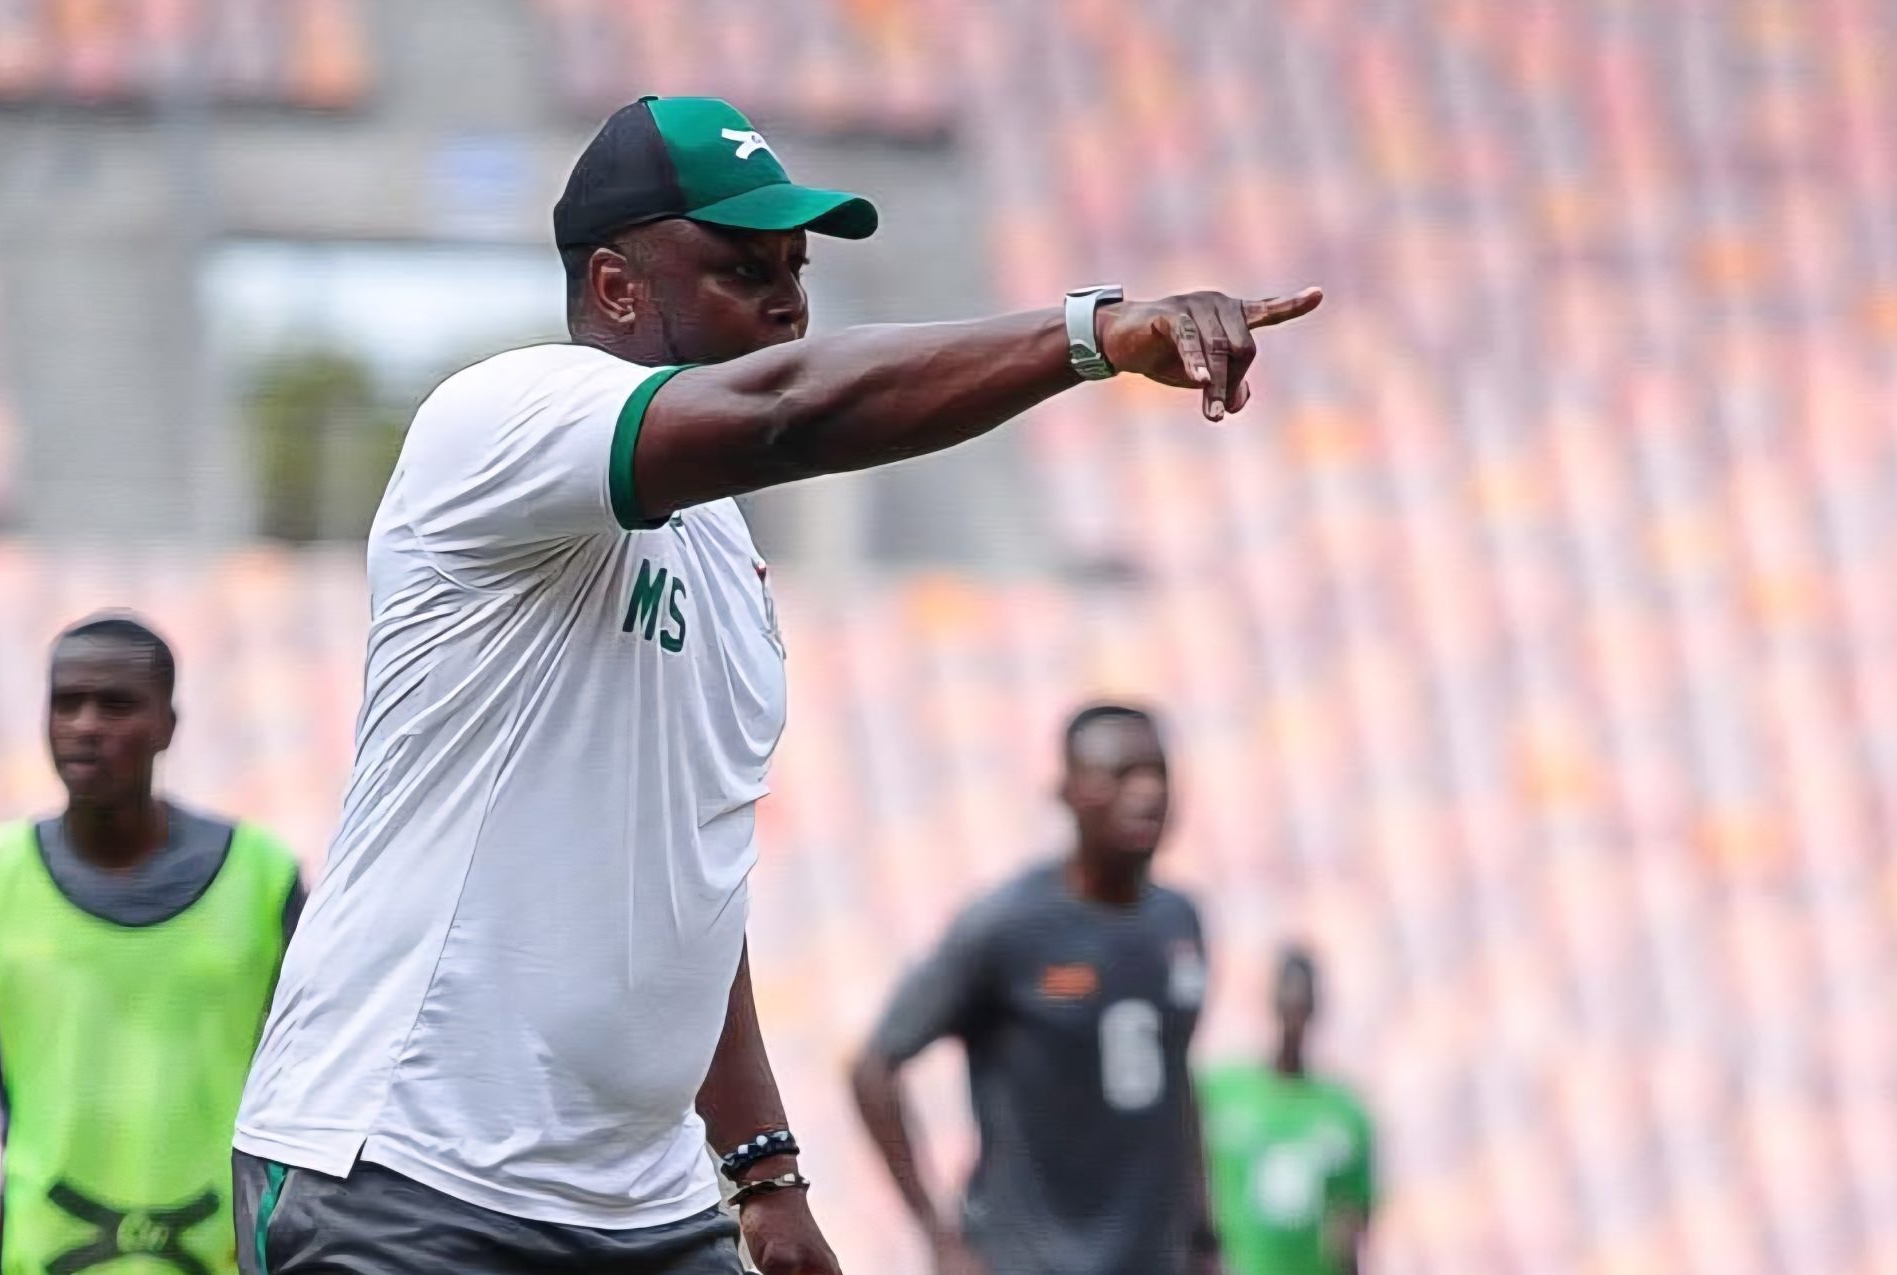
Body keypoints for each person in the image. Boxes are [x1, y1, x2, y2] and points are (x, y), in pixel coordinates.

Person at [231, 92, 1319, 1275]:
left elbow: (692, 883)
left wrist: (760, 1165)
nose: (787, 301)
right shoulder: (501, 420)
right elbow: (786, 411)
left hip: (642, 1203)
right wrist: (1089, 335)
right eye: (741, 268)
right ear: (614, 288)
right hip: (408, 1170)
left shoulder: (730, 569)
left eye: (795, 269)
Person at [0, 614, 306, 1275]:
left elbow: (337, 1056)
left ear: (168, 724)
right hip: (45, 1256)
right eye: (66, 701)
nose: (86, 723)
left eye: (116, 704)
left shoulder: (262, 880)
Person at [852, 704, 1218, 1275]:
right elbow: (873, 1068)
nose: (1145, 792)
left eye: (1157, 773)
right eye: (1120, 775)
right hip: (1029, 1259)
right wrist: (939, 1235)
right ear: (1067, 792)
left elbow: (1174, 1077)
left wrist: (1204, 1234)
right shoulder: (1008, 928)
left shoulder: (1179, 923)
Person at [1198, 949, 1374, 1275]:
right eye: (1287, 996)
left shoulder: (1343, 1112)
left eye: (1302, 1001)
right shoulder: (1223, 1093)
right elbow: (1190, 1182)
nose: (1294, 1012)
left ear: (1315, 1008)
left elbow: (1353, 1223)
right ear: (1272, 1000)